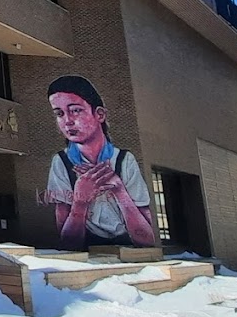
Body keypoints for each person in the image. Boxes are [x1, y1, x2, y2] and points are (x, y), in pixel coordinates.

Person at [45, 75, 156, 249]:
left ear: (100, 114)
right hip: (88, 255)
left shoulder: (124, 161)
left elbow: (147, 240)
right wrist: (81, 201)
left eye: (75, 110)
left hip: (129, 254)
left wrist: (120, 191)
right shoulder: (61, 163)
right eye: (59, 113)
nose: (67, 121)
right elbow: (68, 242)